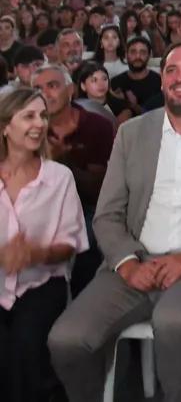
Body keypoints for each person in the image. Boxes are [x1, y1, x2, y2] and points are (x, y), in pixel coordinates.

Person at [47, 41, 181, 402]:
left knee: (172, 322)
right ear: (162, 81)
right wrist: (128, 263)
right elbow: (107, 214)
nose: (180, 78)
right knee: (67, 339)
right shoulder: (131, 133)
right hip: (135, 262)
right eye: (172, 70)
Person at [0, 89, 89, 402]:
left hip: (42, 282)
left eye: (42, 116)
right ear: (5, 127)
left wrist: (35, 254)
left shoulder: (59, 177)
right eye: (28, 116)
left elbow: (70, 244)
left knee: (26, 344)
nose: (39, 124)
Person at [32, 64, 115, 297]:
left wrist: (64, 161)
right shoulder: (26, 126)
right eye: (37, 89)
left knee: (86, 240)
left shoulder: (98, 125)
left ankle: (83, 304)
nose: (44, 94)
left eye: (52, 86)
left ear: (70, 90)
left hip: (84, 206)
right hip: (36, 204)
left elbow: (96, 191)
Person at [110, 37, 162, 108]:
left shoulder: (159, 82)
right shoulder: (115, 83)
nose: (137, 56)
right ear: (126, 55)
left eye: (142, 52)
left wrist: (133, 106)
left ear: (149, 55)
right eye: (133, 52)